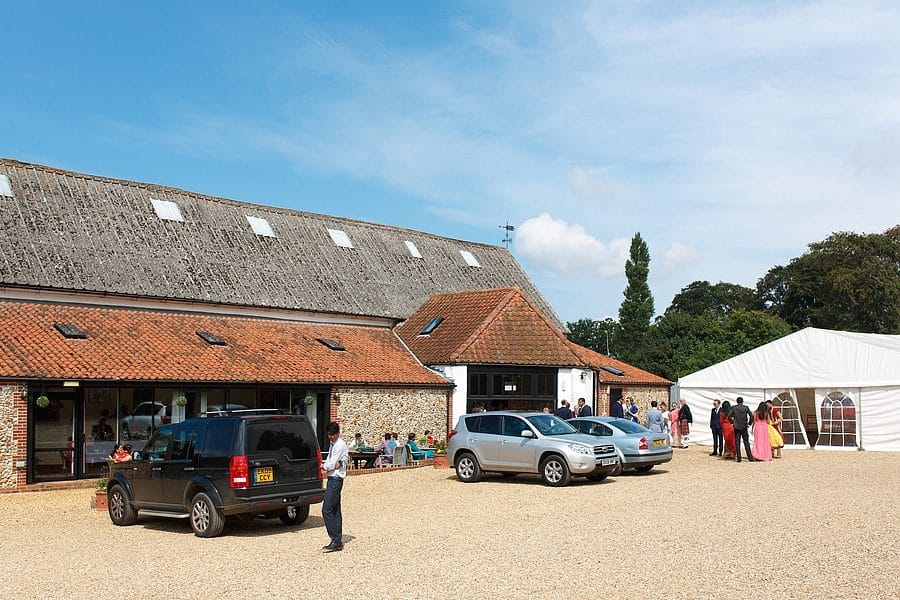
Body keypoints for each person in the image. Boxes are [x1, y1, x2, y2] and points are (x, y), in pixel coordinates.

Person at [321, 422, 348, 552]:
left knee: (326, 509)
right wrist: (328, 465)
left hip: (336, 479)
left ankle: (335, 538)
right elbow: (331, 462)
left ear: (338, 433)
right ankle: (337, 540)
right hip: (332, 478)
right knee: (335, 509)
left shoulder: (340, 445)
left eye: (333, 434)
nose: (331, 437)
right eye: (329, 435)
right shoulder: (333, 445)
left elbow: (332, 464)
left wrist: (324, 467)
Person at [730, 397, 755, 463]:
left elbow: (729, 416)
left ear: (737, 401)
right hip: (744, 426)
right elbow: (751, 416)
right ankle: (750, 457)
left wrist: (732, 422)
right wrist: (749, 423)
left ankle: (739, 458)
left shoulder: (734, 407)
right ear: (742, 401)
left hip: (736, 426)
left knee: (737, 442)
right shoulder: (746, 407)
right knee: (746, 442)